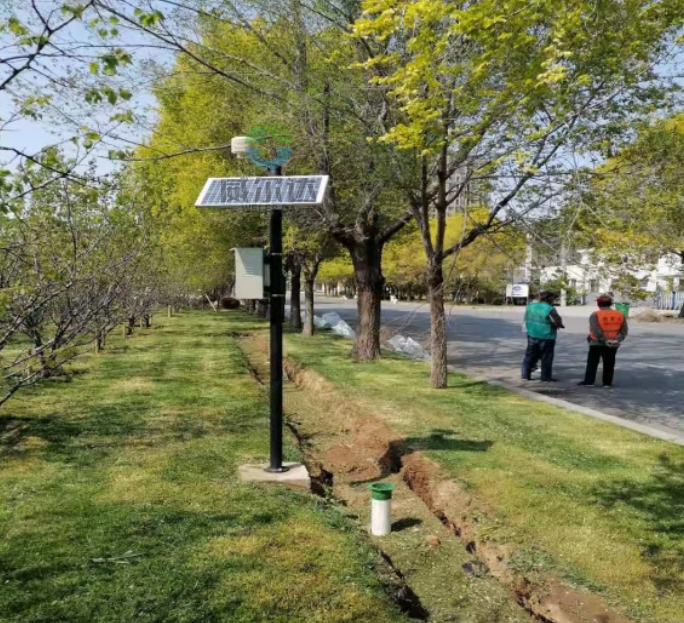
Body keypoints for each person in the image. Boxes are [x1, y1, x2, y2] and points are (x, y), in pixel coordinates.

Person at [578, 295, 628, 388]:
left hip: (596, 342)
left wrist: (604, 340)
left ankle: (589, 382)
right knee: (609, 362)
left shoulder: (595, 315)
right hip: (613, 343)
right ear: (611, 303)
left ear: (598, 304)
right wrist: (617, 339)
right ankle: (607, 383)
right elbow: (624, 330)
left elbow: (596, 330)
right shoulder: (620, 314)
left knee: (592, 362)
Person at [521, 291, 565, 382]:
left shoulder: (530, 306)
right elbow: (557, 320)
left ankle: (525, 375)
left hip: (532, 334)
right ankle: (545, 377)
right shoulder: (549, 308)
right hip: (547, 336)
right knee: (546, 357)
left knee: (530, 355)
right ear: (550, 299)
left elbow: (526, 318)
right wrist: (559, 325)